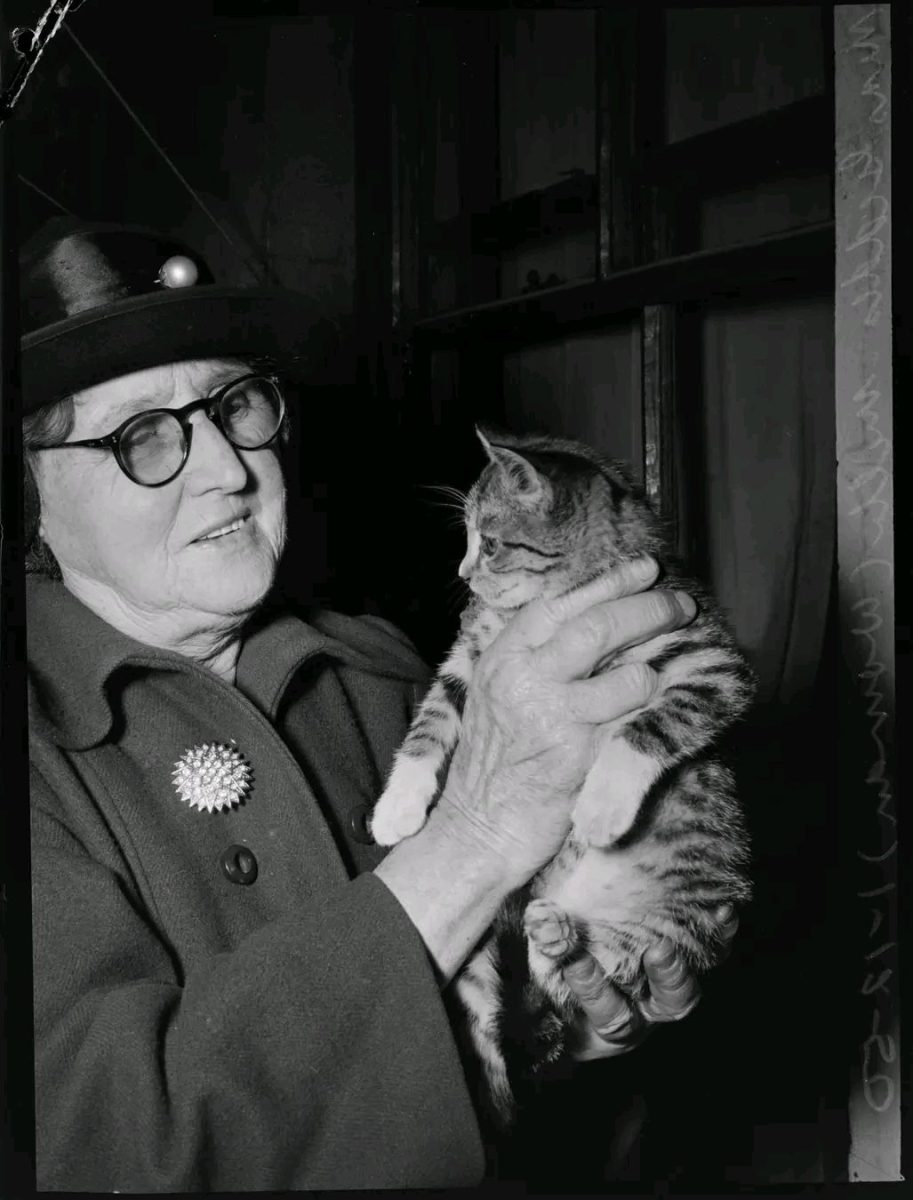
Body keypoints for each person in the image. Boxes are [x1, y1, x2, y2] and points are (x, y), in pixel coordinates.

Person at [21, 218, 737, 1191]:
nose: (229, 468)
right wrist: (477, 835)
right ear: (28, 491)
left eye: (237, 405)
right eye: (144, 435)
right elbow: (119, 1154)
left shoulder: (385, 673)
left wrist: (578, 1041)